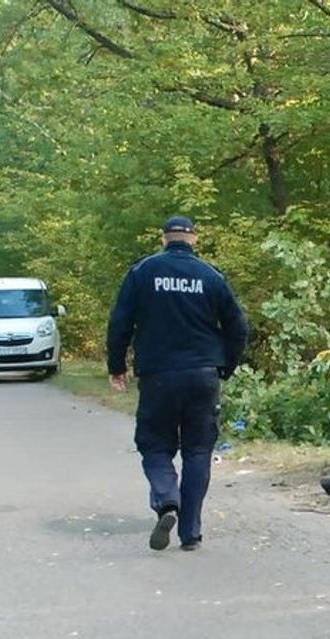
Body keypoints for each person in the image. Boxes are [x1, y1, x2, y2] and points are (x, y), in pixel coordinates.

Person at [106, 216, 248, 552]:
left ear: (163, 239)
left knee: (154, 445)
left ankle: (167, 499)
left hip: (158, 375)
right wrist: (226, 365)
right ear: (194, 239)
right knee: (198, 451)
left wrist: (116, 366)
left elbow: (120, 321)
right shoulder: (211, 276)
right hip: (203, 374)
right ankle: (191, 533)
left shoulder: (143, 272)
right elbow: (238, 326)